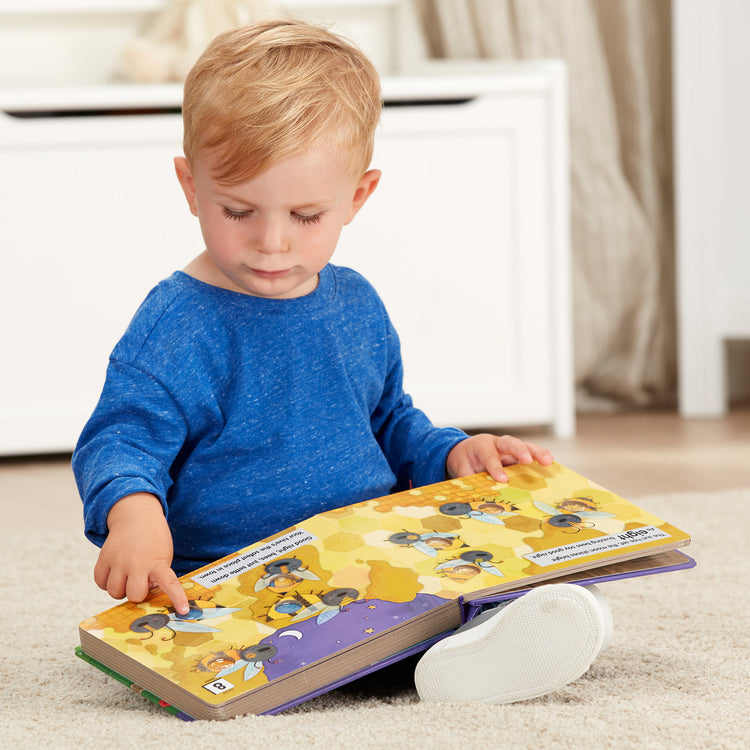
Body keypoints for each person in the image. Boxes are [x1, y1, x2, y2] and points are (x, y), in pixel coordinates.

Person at [72, 18, 610, 705]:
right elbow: (120, 440)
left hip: (375, 559)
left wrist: (454, 453)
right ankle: (436, 665)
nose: (270, 243)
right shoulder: (177, 324)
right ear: (190, 186)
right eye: (237, 210)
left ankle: (472, 648)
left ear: (357, 197)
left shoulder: (356, 304)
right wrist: (133, 513)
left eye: (305, 215)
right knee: (240, 656)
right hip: (235, 579)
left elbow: (391, 422)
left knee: (523, 576)